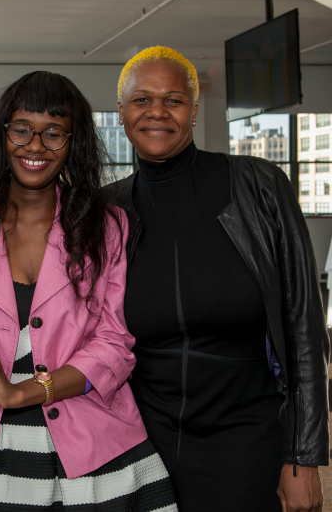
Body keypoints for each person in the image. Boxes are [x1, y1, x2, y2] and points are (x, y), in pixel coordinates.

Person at [105, 46, 329, 512]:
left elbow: (303, 327)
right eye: (142, 100)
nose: (157, 112)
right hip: (141, 436)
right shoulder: (107, 209)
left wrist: (304, 457)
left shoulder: (258, 186)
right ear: (120, 111)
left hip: (246, 434)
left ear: (194, 109)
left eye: (173, 99)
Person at [0, 71, 177, 511]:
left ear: (74, 143)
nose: (35, 146)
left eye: (53, 133)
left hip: (96, 445)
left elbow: (114, 343)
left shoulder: (107, 225)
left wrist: (25, 392)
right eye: (22, 130)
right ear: (2, 134)